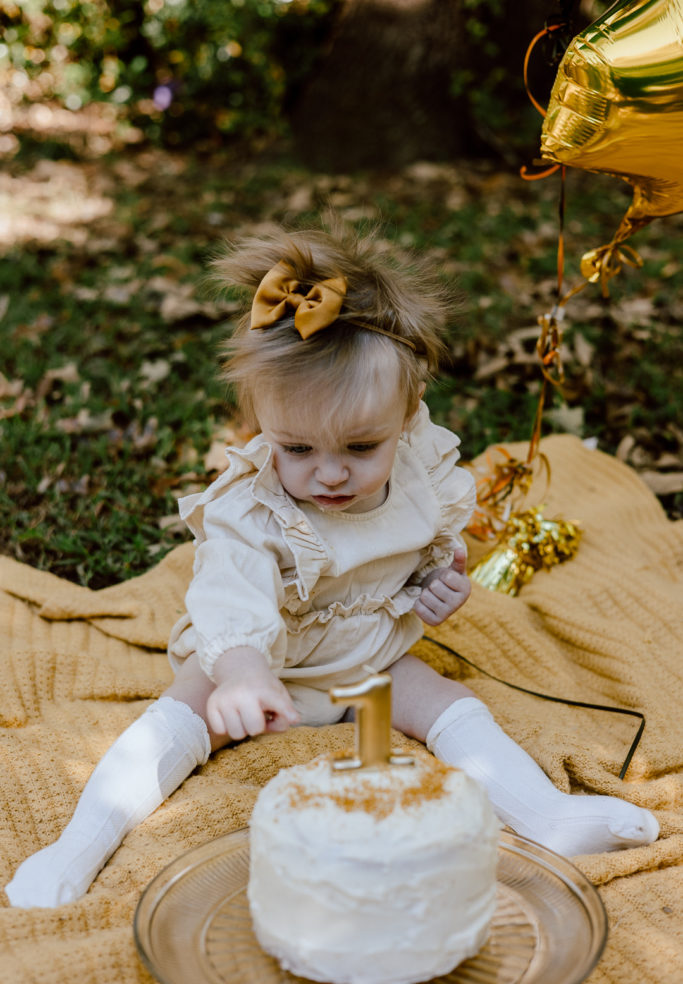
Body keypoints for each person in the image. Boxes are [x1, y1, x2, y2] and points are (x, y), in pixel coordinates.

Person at [5, 225, 659, 909]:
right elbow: (233, 598)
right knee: (171, 721)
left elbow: (422, 557)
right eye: (296, 448)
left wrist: (439, 587)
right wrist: (242, 673)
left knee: (448, 701)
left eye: (359, 445)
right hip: (269, 660)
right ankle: (76, 847)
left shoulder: (420, 475)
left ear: (406, 417)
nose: (330, 473)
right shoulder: (251, 510)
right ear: (262, 427)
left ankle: (545, 814)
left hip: (367, 659)